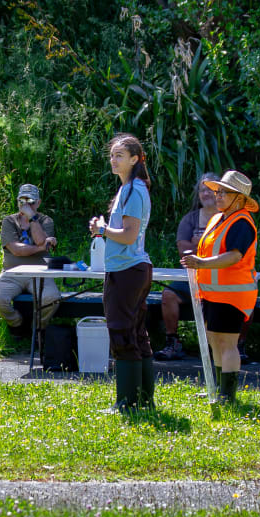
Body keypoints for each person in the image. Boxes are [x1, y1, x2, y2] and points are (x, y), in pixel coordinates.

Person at [89, 133, 155, 412]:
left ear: (135, 159)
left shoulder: (133, 190)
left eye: (119, 155)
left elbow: (128, 236)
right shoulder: (128, 189)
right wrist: (104, 227)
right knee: (136, 333)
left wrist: (102, 230)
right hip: (130, 269)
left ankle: (127, 402)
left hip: (128, 270)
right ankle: (143, 401)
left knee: (122, 332)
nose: (113, 160)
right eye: (112, 155)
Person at [181, 171, 259, 404]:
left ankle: (228, 394)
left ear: (240, 199)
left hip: (232, 295)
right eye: (218, 191)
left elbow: (234, 256)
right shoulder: (218, 218)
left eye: (224, 192)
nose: (218, 196)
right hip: (211, 293)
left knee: (227, 343)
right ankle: (216, 388)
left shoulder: (242, 222)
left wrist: (202, 263)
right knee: (214, 340)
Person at [155, 172, 219, 361]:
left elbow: (231, 250)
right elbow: (184, 251)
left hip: (221, 278)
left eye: (210, 190)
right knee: (168, 295)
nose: (206, 194)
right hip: (192, 277)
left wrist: (199, 243)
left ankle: (237, 346)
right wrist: (209, 247)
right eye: (202, 190)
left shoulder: (228, 218)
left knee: (248, 293)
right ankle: (173, 342)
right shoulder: (190, 220)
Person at [0, 183, 60, 337]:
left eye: (30, 202)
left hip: (40, 273)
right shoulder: (9, 221)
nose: (26, 205)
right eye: (22, 201)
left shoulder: (46, 221)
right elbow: (16, 250)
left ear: (38, 203)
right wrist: (41, 248)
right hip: (12, 273)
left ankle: (37, 328)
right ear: (17, 201)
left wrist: (32, 218)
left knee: (52, 297)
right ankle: (17, 324)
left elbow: (40, 239)